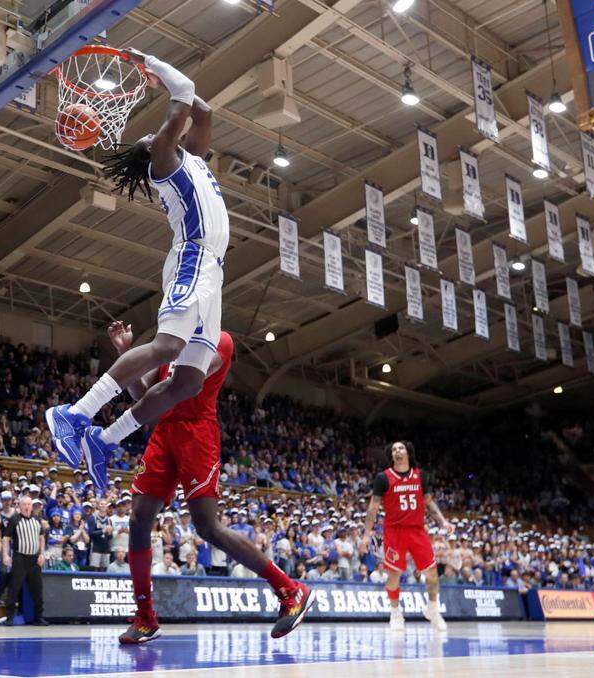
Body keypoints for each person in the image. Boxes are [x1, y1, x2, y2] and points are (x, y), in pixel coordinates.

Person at [45, 48, 229, 491]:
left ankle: (104, 442)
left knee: (187, 382)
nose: (155, 132)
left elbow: (203, 113)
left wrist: (166, 83)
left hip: (213, 270)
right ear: (154, 151)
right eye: (155, 134)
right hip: (193, 257)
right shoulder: (164, 159)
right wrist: (148, 62)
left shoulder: (194, 159)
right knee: (167, 346)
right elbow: (183, 94)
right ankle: (75, 414)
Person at [107, 323, 313, 644]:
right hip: (165, 432)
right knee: (138, 519)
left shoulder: (222, 340)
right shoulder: (172, 340)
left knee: (207, 526)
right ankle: (145, 617)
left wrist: (148, 357)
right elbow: (145, 395)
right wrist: (126, 353)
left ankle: (290, 589)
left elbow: (186, 384)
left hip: (196, 432)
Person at [364, 440, 451, 633]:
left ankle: (432, 609)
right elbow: (373, 508)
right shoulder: (383, 477)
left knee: (432, 573)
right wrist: (366, 535)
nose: (397, 451)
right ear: (391, 455)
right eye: (394, 449)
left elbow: (429, 502)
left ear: (408, 453)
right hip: (395, 532)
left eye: (400, 448)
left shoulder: (420, 476)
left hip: (417, 530)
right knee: (394, 574)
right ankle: (395, 613)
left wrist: (443, 521)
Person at [0, 497, 47, 626]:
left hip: (34, 559)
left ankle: (38, 617)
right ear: (20, 506)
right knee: (14, 588)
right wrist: (6, 555)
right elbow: (6, 538)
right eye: (25, 504)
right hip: (20, 558)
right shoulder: (14, 519)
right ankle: (9, 618)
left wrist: (42, 554)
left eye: (29, 504)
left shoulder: (37, 520)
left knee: (38, 589)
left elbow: (41, 538)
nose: (27, 506)